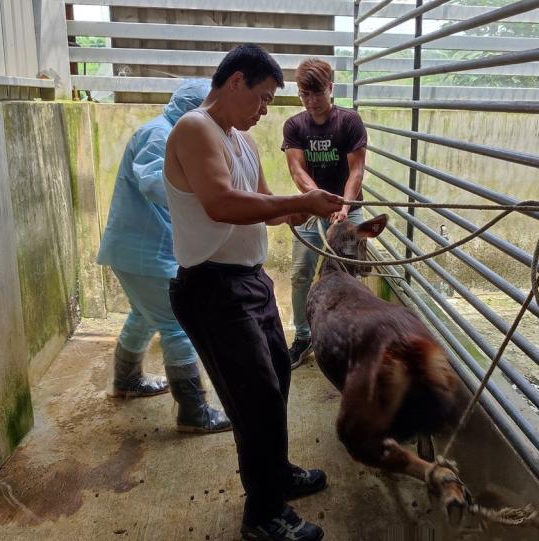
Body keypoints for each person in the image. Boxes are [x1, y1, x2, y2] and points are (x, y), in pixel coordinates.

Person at [164, 44, 342, 541]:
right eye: (262, 98)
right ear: (236, 81)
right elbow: (221, 203)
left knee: (276, 378)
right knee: (255, 397)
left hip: (248, 280)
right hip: (212, 285)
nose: (265, 110)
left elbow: (266, 203)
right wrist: (296, 200)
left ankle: (275, 472)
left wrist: (304, 209)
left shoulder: (239, 140)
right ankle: (263, 516)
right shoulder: (196, 128)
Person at [96, 79, 231, 434]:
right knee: (176, 325)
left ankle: (127, 380)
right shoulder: (161, 135)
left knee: (144, 314)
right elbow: (155, 184)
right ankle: (193, 411)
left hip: (139, 250)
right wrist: (205, 198)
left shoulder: (169, 132)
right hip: (144, 251)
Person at [281, 58, 368, 369]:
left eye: (317, 93)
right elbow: (297, 170)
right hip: (311, 207)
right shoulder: (294, 125)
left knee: (351, 275)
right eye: (304, 94)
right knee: (300, 272)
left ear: (331, 88)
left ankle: (349, 335)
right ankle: (303, 337)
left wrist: (344, 207)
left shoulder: (349, 121)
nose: (311, 101)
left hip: (348, 208)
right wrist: (317, 200)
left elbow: (356, 171)